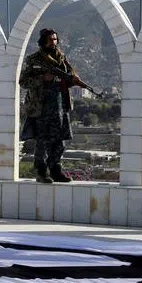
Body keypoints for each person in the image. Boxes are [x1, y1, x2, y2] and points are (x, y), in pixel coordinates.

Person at [19, 28, 83, 183]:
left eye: (55, 39)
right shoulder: (34, 59)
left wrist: (74, 78)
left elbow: (69, 74)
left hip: (60, 106)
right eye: (50, 40)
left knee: (60, 141)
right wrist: (43, 78)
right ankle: (41, 172)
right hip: (42, 107)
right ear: (43, 41)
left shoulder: (61, 58)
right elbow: (23, 82)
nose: (53, 42)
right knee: (43, 141)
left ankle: (55, 169)